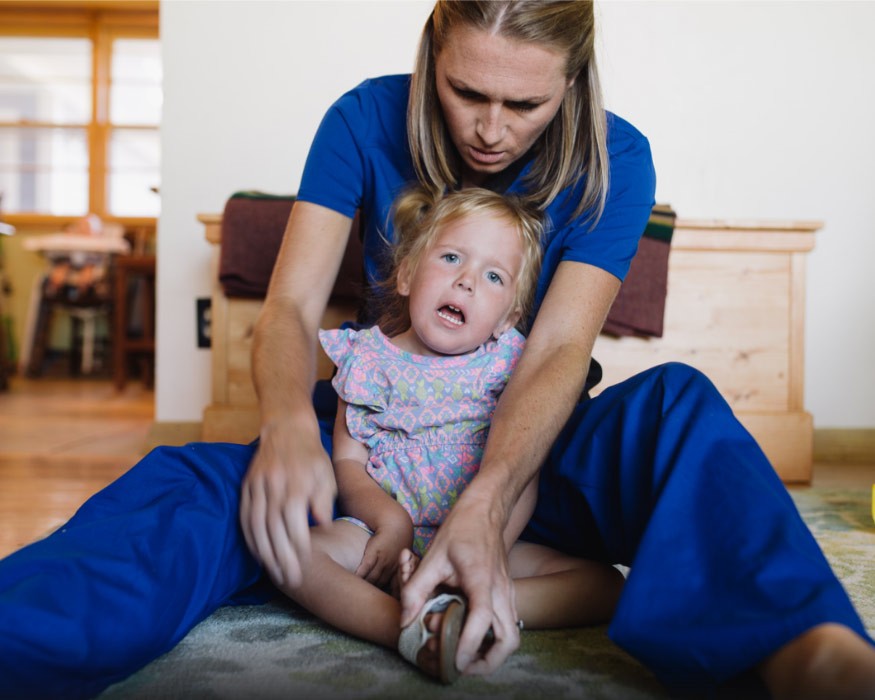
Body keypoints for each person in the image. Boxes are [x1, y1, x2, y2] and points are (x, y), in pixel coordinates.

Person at [0, 2, 872, 699]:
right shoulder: (359, 118)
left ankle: (808, 647)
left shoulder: (618, 156)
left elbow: (559, 348)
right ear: (431, 51)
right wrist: (286, 432)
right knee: (188, 486)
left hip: (529, 449)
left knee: (677, 406)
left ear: (572, 83)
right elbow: (292, 308)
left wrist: (488, 502)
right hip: (375, 457)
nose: (489, 130)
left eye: (523, 104)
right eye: (466, 92)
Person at [281, 186, 624, 684]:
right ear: (406, 274)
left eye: (493, 276)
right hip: (384, 537)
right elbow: (348, 464)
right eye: (450, 257)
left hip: (481, 537)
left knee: (605, 584)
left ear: (507, 318)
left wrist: (488, 550)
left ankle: (472, 604)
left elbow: (521, 476)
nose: (466, 282)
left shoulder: (509, 367)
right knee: (288, 551)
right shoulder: (366, 361)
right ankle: (403, 624)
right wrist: (389, 522)